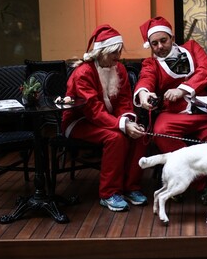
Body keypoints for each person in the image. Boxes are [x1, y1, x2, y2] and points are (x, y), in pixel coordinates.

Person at [134, 16, 207, 205]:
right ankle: (200, 183)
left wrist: (182, 89)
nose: (160, 46)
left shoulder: (193, 48)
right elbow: (146, 79)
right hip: (173, 115)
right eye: (155, 44)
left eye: (164, 40)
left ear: (172, 37)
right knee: (161, 132)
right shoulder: (151, 64)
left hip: (203, 111)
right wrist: (144, 93)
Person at [62, 24, 147, 212]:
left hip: (108, 120)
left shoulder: (119, 69)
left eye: (119, 52)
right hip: (78, 122)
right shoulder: (83, 73)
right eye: (113, 53)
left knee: (139, 135)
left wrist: (128, 122)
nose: (118, 57)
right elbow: (93, 111)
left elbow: (124, 101)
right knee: (115, 138)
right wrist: (122, 125)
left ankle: (131, 187)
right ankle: (108, 193)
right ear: (100, 52)